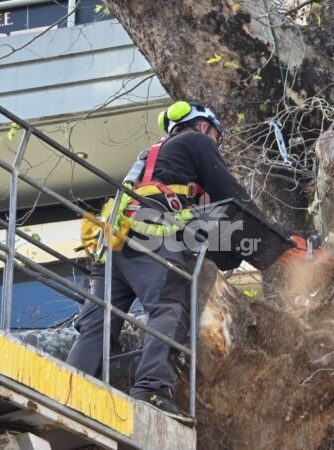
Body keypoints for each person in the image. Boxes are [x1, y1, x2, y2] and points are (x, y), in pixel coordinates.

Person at [66, 101, 258, 416]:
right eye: (214, 136)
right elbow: (232, 195)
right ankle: (152, 389)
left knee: (99, 323)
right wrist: (277, 236)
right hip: (148, 235)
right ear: (202, 127)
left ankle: (73, 385)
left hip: (113, 244)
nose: (213, 145)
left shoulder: (151, 159)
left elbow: (206, 228)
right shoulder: (195, 141)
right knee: (169, 307)